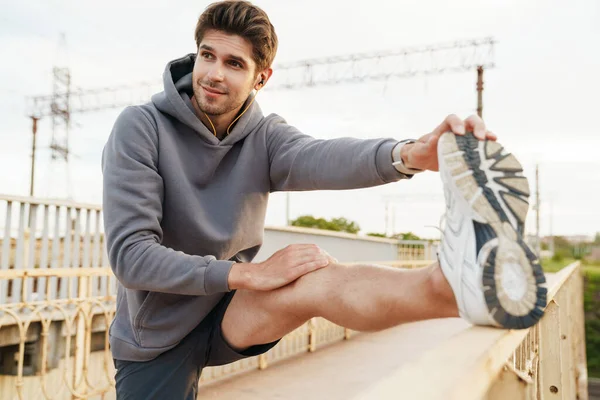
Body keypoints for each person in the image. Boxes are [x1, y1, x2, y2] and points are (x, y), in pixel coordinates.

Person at [101, 1, 547, 398]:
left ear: (261, 77)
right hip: (156, 335)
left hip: (227, 311)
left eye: (234, 64)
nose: (215, 74)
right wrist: (245, 273)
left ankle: (453, 289)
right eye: (207, 56)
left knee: (316, 279)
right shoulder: (141, 127)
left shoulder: (264, 135)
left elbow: (321, 156)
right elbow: (131, 256)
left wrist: (409, 154)